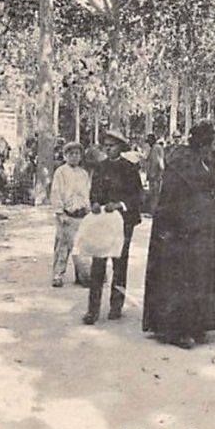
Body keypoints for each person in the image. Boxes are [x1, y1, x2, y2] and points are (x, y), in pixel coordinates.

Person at [143, 122, 215, 348]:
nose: (214, 146)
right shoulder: (183, 159)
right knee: (180, 278)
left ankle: (196, 326)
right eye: (212, 140)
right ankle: (177, 330)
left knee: (198, 275)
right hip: (179, 228)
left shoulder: (203, 159)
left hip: (199, 228)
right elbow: (189, 189)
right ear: (204, 142)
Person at [84, 130, 144, 325]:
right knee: (98, 263)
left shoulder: (130, 169)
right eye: (106, 146)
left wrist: (120, 205)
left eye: (112, 145)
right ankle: (93, 310)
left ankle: (116, 306)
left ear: (121, 147)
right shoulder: (100, 168)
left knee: (119, 263)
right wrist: (94, 203)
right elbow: (94, 192)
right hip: (103, 221)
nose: (108, 149)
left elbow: (138, 196)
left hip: (123, 221)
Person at [49, 141, 91, 288]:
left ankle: (81, 275)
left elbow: (86, 193)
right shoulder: (61, 172)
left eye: (77, 154)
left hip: (81, 214)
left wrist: (88, 210)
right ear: (65, 155)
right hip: (67, 214)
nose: (74, 157)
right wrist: (60, 212)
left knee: (80, 246)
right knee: (62, 246)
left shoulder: (84, 174)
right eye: (71, 154)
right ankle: (58, 274)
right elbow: (56, 192)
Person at [144, 135, 166, 214]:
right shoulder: (154, 148)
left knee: (155, 194)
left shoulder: (156, 148)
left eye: (149, 142)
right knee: (153, 194)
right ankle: (152, 211)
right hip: (153, 175)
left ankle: (153, 211)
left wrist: (159, 174)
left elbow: (159, 162)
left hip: (155, 176)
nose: (148, 144)